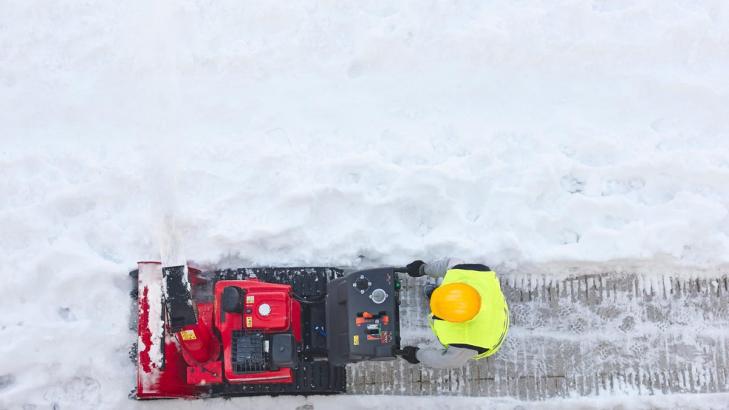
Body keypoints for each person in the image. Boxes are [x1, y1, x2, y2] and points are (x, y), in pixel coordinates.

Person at [394, 258, 509, 369]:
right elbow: (450, 263)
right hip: (491, 305)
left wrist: (417, 355)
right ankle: (438, 296)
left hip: (492, 336)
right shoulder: (475, 272)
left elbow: (447, 361)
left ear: (453, 320)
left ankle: (437, 297)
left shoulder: (468, 342)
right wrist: (423, 269)